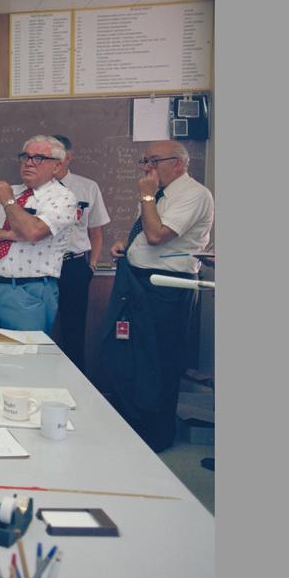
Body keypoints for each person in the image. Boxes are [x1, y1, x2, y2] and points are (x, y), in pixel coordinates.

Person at [97, 140, 213, 452]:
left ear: (178, 163)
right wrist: (126, 246)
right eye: (144, 161)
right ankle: (132, 427)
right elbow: (147, 235)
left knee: (158, 361)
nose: (147, 167)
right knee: (128, 355)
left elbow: (157, 235)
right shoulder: (158, 193)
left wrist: (146, 195)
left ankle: (155, 436)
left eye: (153, 160)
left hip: (168, 287)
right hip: (138, 280)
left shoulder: (194, 194)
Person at [0, 135, 78, 332]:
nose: (29, 163)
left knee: (24, 357)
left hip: (29, 290)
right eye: (25, 157)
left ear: (57, 166)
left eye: (39, 158)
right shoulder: (13, 191)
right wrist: (9, 234)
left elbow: (33, 232)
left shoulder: (64, 198)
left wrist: (8, 202)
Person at [49, 134, 110, 373]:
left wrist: (91, 264)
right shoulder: (32, 189)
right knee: (37, 330)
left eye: (56, 155)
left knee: (74, 331)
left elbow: (96, 231)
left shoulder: (87, 187)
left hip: (73, 266)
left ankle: (76, 385)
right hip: (38, 266)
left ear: (68, 157)